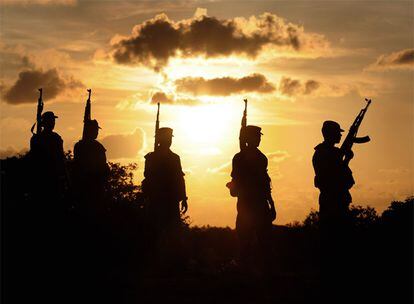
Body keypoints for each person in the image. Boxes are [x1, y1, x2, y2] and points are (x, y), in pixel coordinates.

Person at [312, 120, 355, 302]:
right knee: (334, 246)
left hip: (334, 203)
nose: (340, 136)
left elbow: (347, 181)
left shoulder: (326, 153)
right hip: (333, 203)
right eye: (338, 133)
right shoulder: (327, 154)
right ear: (329, 133)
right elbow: (338, 180)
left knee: (334, 246)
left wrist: (345, 159)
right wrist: (345, 160)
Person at [229, 125, 276, 272]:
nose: (259, 139)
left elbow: (265, 183)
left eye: (259, 136)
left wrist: (271, 203)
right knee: (246, 243)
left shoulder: (257, 158)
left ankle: (262, 273)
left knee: (263, 243)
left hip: (255, 205)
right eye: (257, 136)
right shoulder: (245, 158)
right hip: (249, 205)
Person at [73, 119, 109, 215]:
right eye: (95, 130)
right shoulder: (96, 147)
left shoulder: (79, 146)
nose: (97, 132)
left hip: (89, 185)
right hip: (91, 185)